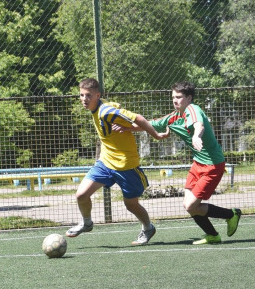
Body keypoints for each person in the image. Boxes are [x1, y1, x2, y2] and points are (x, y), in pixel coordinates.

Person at [122, 81, 241, 244]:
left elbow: (199, 125)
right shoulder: (173, 117)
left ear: (189, 98)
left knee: (192, 206)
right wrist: (127, 127)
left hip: (213, 165)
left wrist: (196, 136)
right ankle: (212, 235)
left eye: (178, 97)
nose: (175, 100)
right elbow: (150, 124)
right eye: (173, 97)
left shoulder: (193, 109)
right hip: (197, 164)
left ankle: (231, 214)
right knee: (188, 205)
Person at [67, 78, 170, 245]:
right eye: (81, 95)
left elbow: (138, 118)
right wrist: (128, 127)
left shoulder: (106, 111)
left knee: (131, 205)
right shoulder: (98, 109)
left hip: (126, 165)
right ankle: (86, 223)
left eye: (88, 95)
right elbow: (130, 123)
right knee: (81, 195)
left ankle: (148, 227)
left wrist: (156, 135)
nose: (84, 99)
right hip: (105, 162)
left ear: (97, 95)